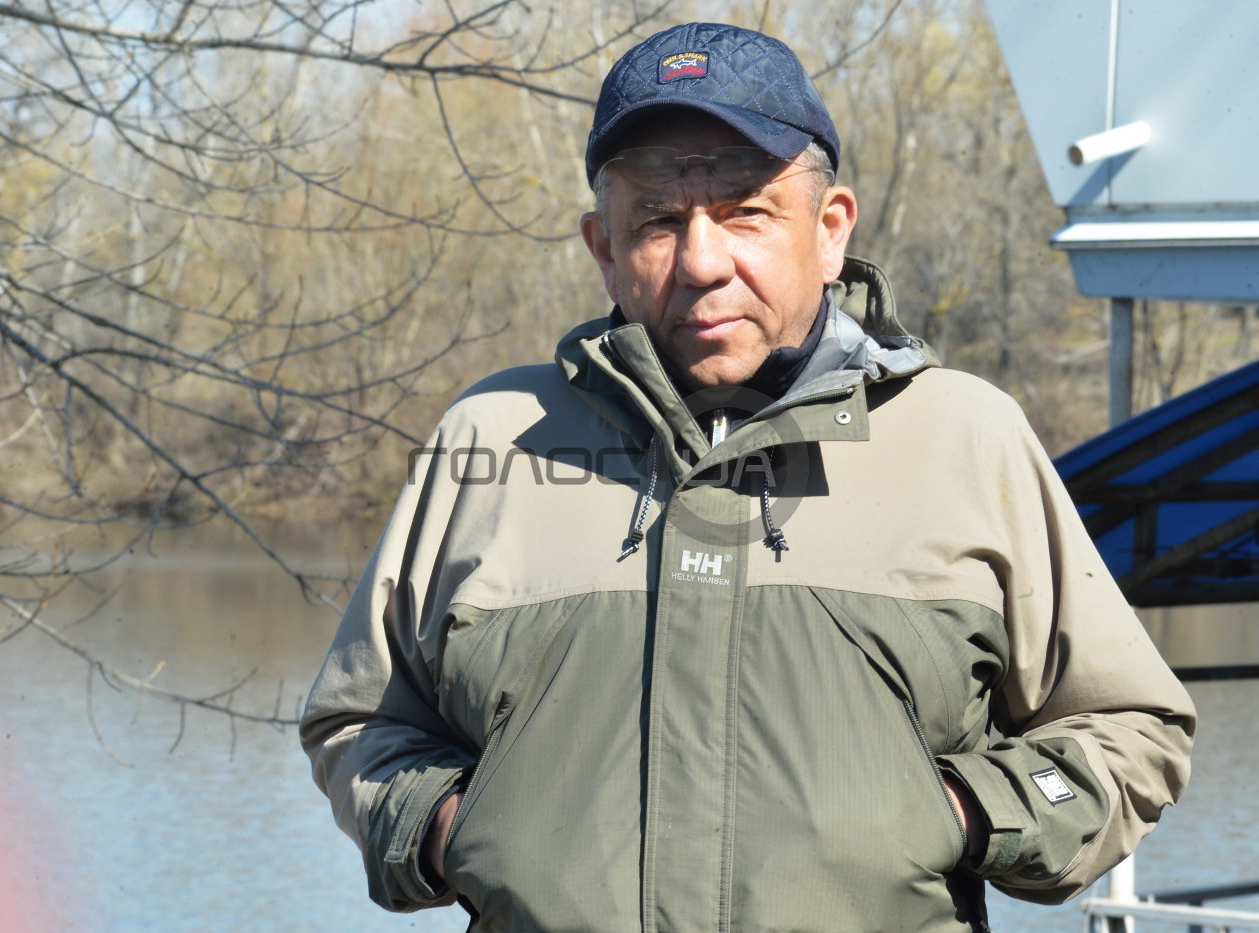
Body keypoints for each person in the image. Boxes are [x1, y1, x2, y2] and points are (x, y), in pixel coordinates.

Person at [301, 22, 1194, 933]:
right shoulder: (490, 440)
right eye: (656, 220)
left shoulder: (968, 436)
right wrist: (453, 828)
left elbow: (1130, 726)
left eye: (745, 213)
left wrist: (963, 814)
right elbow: (358, 722)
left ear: (829, 228)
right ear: (603, 247)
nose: (701, 262)